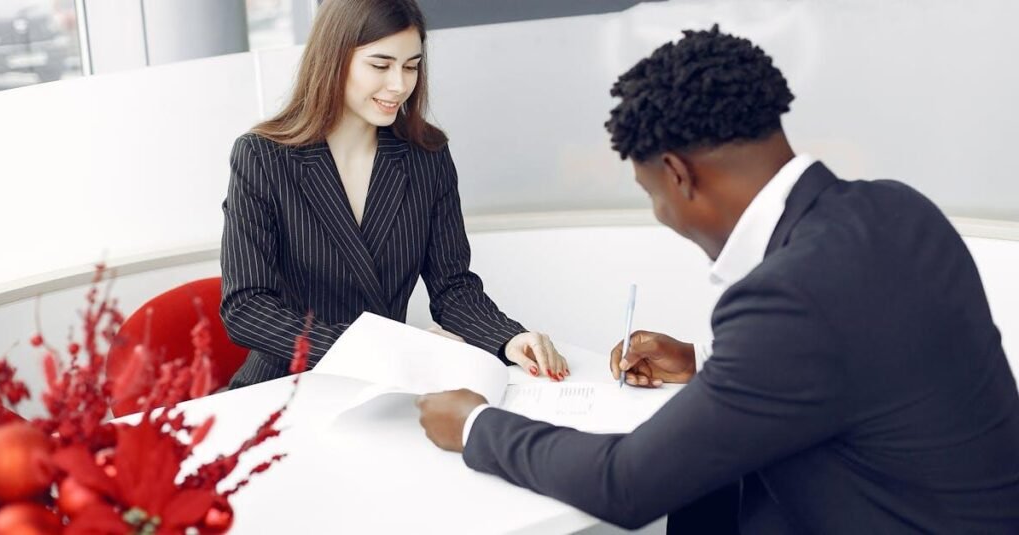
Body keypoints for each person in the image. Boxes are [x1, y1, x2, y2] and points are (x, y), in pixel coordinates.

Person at [416, 25, 1019, 533]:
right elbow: (865, 353)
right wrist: (705, 362)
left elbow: (624, 484)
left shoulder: (791, 294)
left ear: (678, 176)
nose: (662, 213)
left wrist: (475, 426)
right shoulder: (896, 209)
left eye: (651, 194)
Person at [220, 0, 569, 388]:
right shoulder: (263, 156)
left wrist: (507, 338)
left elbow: (452, 286)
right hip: (284, 389)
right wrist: (384, 350)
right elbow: (247, 308)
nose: (399, 85)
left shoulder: (426, 156)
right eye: (380, 65)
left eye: (411, 66)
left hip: (387, 389)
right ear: (334, 59)